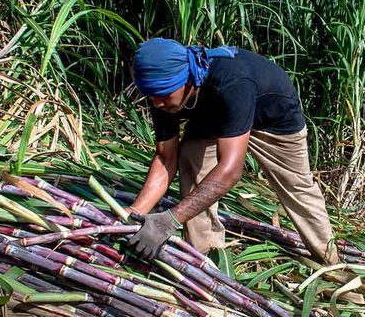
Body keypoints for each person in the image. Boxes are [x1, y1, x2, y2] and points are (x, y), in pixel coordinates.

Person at [126, 38, 339, 265]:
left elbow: (229, 171)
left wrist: (169, 220)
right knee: (190, 157)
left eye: (164, 94)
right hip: (214, 119)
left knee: (297, 187)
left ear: (188, 80)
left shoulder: (231, 81)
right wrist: (134, 212)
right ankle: (205, 257)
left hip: (273, 122)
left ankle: (331, 262)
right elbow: (165, 158)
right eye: (152, 96)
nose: (157, 103)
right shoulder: (160, 92)